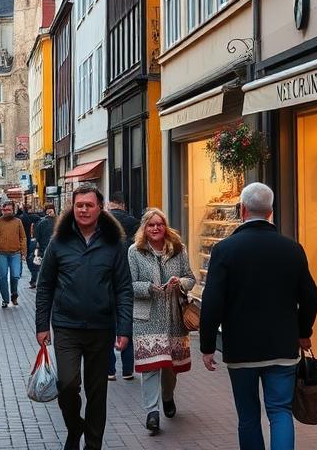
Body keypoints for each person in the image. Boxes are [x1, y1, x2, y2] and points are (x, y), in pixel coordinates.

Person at [200, 182, 317, 450]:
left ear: (242, 209)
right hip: (282, 347)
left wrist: (207, 345)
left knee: (249, 416)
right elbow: (311, 297)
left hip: (241, 349)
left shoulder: (225, 250)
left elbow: (212, 302)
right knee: (280, 412)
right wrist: (303, 332)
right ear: (270, 211)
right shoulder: (292, 249)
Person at [35, 184, 133, 450]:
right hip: (66, 326)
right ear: (73, 208)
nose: (84, 210)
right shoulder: (59, 242)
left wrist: (124, 328)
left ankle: (92, 444)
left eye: (89, 205)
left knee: (97, 391)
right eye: (79, 205)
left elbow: (124, 288)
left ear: (100, 208)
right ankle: (74, 426)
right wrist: (42, 325)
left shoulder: (114, 243)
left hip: (101, 328)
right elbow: (45, 286)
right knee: (67, 385)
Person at [128, 208, 196, 435]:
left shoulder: (179, 249)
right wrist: (148, 287)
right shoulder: (134, 252)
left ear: (165, 226)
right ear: (144, 229)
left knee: (170, 367)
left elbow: (191, 278)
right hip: (146, 317)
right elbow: (129, 284)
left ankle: (167, 396)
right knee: (150, 367)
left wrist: (181, 283)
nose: (156, 228)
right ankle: (152, 412)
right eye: (151, 225)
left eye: (160, 224)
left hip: (174, 316)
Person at [106, 195, 139, 380]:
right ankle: (127, 369)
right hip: (128, 278)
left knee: (109, 325)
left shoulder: (104, 221)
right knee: (127, 323)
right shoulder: (134, 222)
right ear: (123, 205)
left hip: (108, 279)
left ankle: (110, 369)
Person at [0, 201, 26, 308]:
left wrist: (23, 252)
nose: (6, 212)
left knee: (15, 275)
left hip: (16, 253)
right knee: (3, 277)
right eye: (4, 210)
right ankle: (5, 299)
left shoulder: (18, 221)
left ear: (13, 210)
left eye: (9, 210)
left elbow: (23, 237)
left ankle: (14, 294)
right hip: (2, 254)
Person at [18, 206, 42, 288]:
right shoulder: (36, 218)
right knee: (32, 259)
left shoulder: (21, 218)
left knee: (28, 258)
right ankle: (33, 279)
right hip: (32, 241)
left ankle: (31, 278)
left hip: (27, 241)